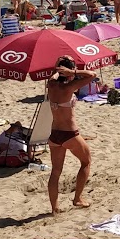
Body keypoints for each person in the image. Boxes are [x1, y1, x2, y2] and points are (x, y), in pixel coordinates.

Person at [45, 56, 95, 213]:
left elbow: (53, 76)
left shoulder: (51, 84)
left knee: (55, 171)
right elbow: (92, 74)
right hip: (70, 134)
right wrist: (73, 71)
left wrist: (58, 69)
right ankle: (78, 199)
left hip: (54, 134)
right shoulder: (69, 87)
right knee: (86, 162)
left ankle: (54, 208)